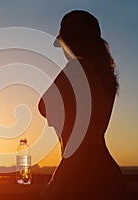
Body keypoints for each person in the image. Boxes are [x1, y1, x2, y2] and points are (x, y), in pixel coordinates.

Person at [38, 10, 127, 200]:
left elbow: (80, 142)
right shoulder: (105, 78)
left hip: (83, 177)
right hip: (105, 174)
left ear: (69, 42)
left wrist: (58, 182)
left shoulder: (78, 70)